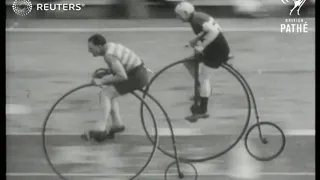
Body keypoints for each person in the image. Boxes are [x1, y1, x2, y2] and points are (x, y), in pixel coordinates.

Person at [81, 33, 151, 142]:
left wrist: (101, 81)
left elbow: (122, 76)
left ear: (99, 46)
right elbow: (121, 65)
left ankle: (101, 128)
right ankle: (117, 124)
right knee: (110, 93)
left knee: (105, 94)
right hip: (138, 73)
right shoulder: (111, 46)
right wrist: (107, 73)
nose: (90, 51)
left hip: (136, 76)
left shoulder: (108, 55)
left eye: (91, 48)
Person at [174, 1, 231, 122]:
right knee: (189, 62)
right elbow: (207, 30)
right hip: (216, 48)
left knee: (204, 77)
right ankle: (202, 90)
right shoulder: (198, 16)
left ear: (185, 13)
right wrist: (196, 39)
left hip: (217, 52)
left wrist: (202, 46)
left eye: (178, 15)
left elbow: (214, 32)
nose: (177, 18)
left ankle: (203, 110)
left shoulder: (196, 20)